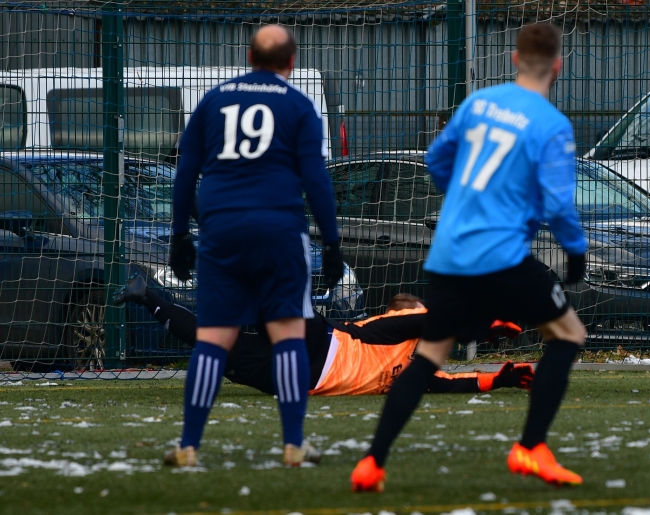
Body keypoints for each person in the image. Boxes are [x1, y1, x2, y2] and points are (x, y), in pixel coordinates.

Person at [350, 22, 589, 492]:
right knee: (569, 334)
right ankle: (531, 447)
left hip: (451, 253)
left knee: (428, 356)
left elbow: (436, 160)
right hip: (501, 255)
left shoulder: (479, 104)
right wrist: (576, 253)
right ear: (558, 67)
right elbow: (560, 205)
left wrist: (463, 193)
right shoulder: (551, 125)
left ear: (514, 59)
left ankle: (372, 463)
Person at [167, 25, 344, 468]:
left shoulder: (213, 100)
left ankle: (188, 446)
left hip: (221, 232)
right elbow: (317, 180)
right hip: (280, 231)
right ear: (292, 62)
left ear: (249, 57)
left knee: (213, 339)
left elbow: (185, 170)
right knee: (287, 335)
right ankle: (293, 444)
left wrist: (179, 234)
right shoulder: (299, 106)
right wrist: (332, 242)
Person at [114, 276, 534, 396]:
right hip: (321, 345)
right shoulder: (388, 329)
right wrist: (487, 329)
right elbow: (436, 322)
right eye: (411, 310)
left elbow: (451, 383)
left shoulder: (418, 368)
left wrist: (499, 380)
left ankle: (145, 295)